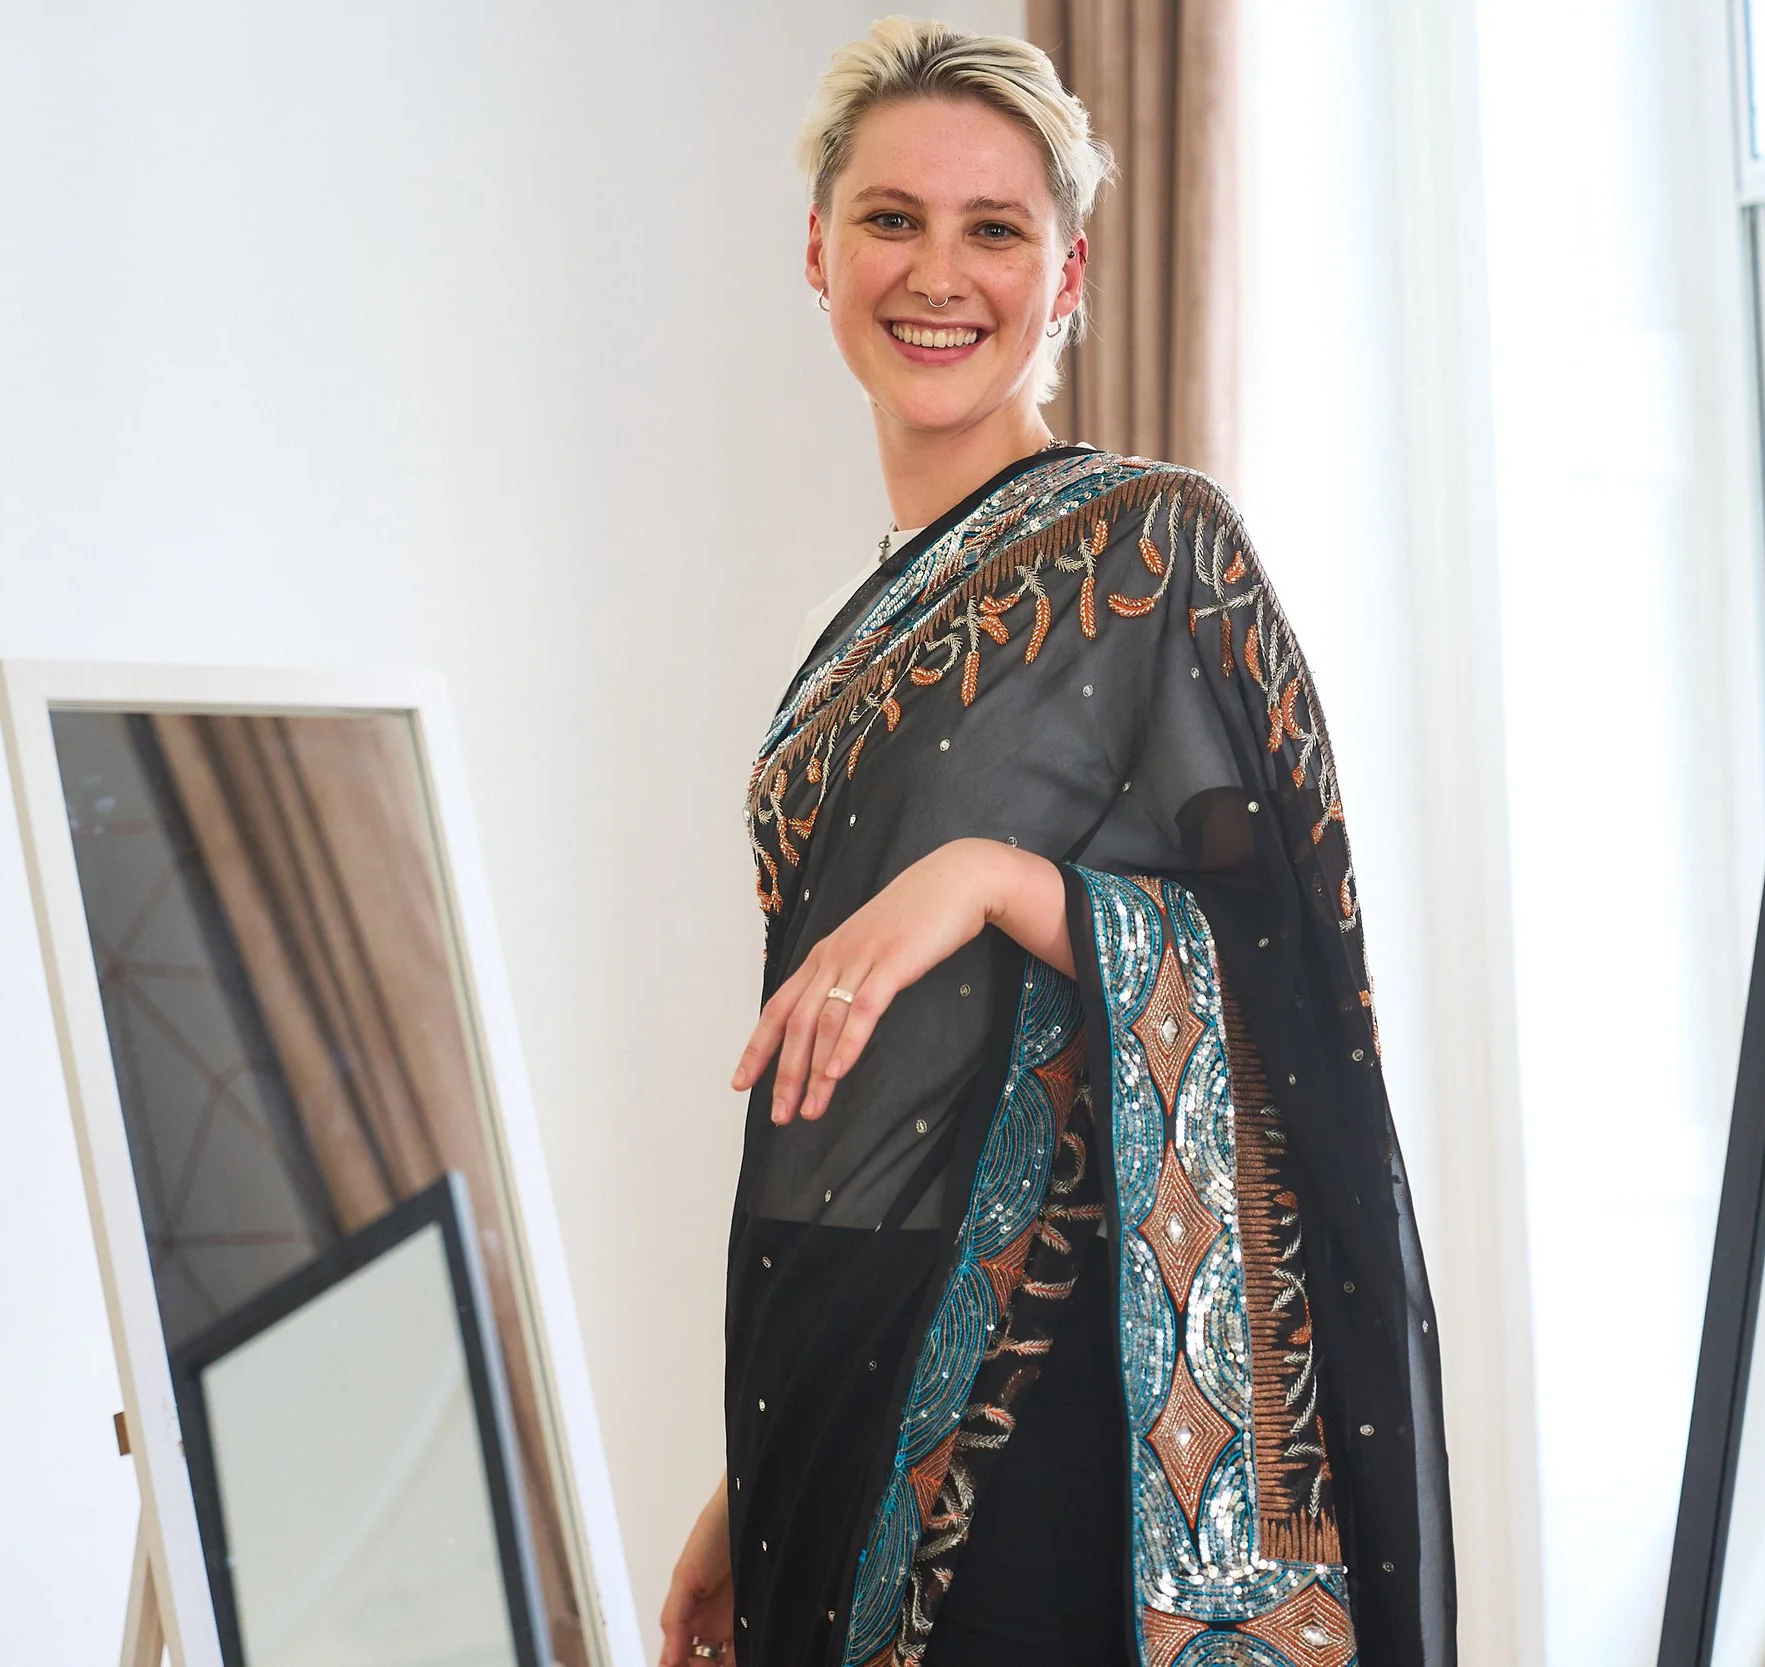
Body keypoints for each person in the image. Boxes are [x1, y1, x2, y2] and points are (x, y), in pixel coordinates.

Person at [658, 20, 1454, 1667]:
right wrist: (739, 1483)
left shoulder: (1156, 554)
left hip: (1045, 1402)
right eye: (891, 218)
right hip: (817, 1358)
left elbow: (1293, 977)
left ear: (1068, 271)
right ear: (817, 251)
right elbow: (866, 1090)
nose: (936, 272)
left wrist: (994, 885)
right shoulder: (845, 628)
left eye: (993, 228)